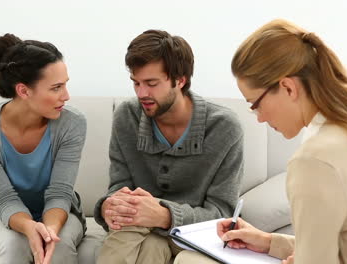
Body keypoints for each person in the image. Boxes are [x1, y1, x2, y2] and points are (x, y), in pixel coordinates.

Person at [174, 19, 347, 264]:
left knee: (189, 260)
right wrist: (268, 242)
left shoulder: (314, 159)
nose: (260, 118)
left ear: (288, 87)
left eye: (256, 104)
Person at [93, 29, 244, 264]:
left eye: (151, 83)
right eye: (136, 83)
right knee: (143, 245)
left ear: (180, 80)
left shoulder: (223, 128)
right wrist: (109, 207)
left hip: (196, 237)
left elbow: (221, 214)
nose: (142, 93)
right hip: (139, 228)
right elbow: (119, 188)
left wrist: (164, 216)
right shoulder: (127, 117)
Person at [0, 33, 87, 264]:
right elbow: (3, 198)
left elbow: (60, 193)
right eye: (56, 87)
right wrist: (29, 227)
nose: (66, 96)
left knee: (56, 245)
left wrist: (47, 231)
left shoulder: (72, 123)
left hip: (59, 214)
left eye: (65, 84)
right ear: (24, 91)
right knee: (14, 245)